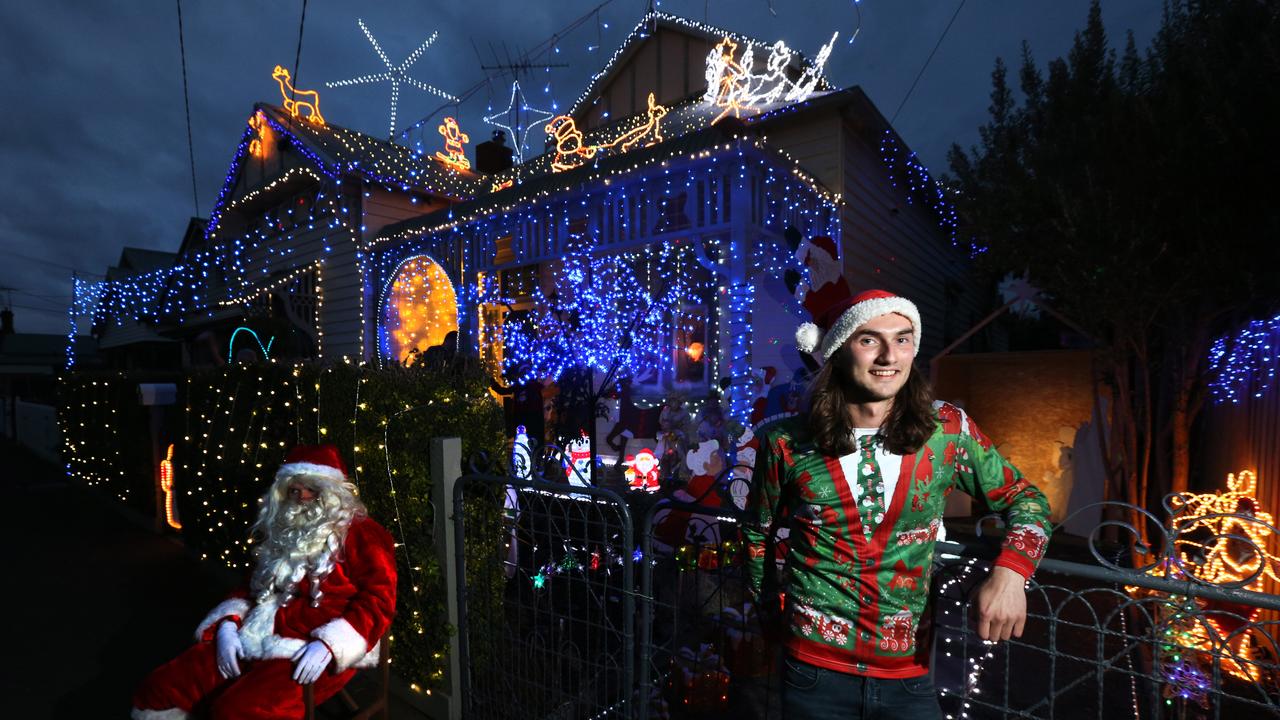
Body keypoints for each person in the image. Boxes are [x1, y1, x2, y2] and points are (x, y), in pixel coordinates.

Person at [744, 288, 1052, 720]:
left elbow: (1027, 500)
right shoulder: (787, 443)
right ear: (837, 351)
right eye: (870, 340)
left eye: (903, 339)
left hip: (909, 675)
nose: (890, 356)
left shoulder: (947, 431)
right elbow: (757, 532)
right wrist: (769, 621)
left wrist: (1011, 572)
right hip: (813, 674)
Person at [132, 445, 397, 720]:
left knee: (239, 712)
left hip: (311, 649)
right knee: (161, 687)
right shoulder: (282, 529)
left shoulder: (365, 535)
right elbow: (250, 586)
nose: (302, 498)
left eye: (312, 490)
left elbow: (380, 600)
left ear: (333, 493)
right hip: (256, 633)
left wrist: (330, 644)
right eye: (294, 490)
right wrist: (227, 626)